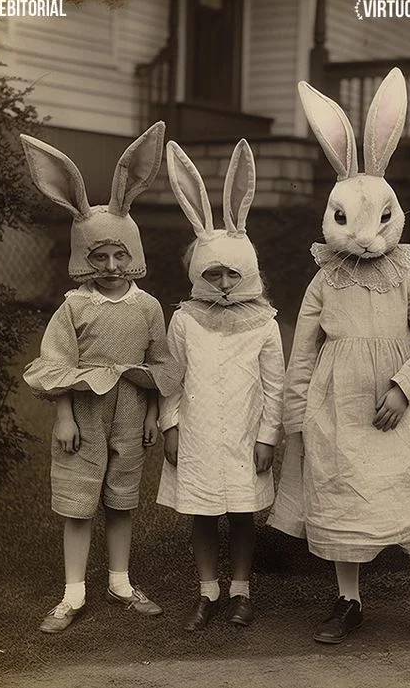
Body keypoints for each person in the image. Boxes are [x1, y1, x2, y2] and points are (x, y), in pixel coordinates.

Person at [268, 70, 410, 651]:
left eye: (379, 221)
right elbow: (303, 351)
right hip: (340, 409)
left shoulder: (406, 277)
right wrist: (296, 417)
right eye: (347, 221)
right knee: (343, 492)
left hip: (402, 409)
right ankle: (348, 600)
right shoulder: (323, 281)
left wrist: (404, 387)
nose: (366, 239)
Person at [21, 123, 178, 633]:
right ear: (84, 259)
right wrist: (64, 416)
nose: (111, 266)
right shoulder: (75, 307)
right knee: (78, 501)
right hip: (85, 412)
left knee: (122, 499)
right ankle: (73, 594)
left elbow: (159, 364)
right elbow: (57, 364)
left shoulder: (148, 307)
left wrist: (152, 413)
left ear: (133, 255)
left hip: (130, 412)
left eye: (119, 255)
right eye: (99, 256)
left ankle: (120, 582)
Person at [157, 139, 284, 631]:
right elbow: (171, 378)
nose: (225, 283)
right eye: (214, 274)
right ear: (197, 273)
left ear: (249, 270)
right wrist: (170, 426)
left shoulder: (264, 323)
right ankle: (207, 591)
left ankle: (241, 592)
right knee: (203, 512)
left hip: (246, 435)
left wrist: (267, 437)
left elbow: (274, 387)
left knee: (243, 513)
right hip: (199, 433)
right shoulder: (185, 320)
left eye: (234, 273)